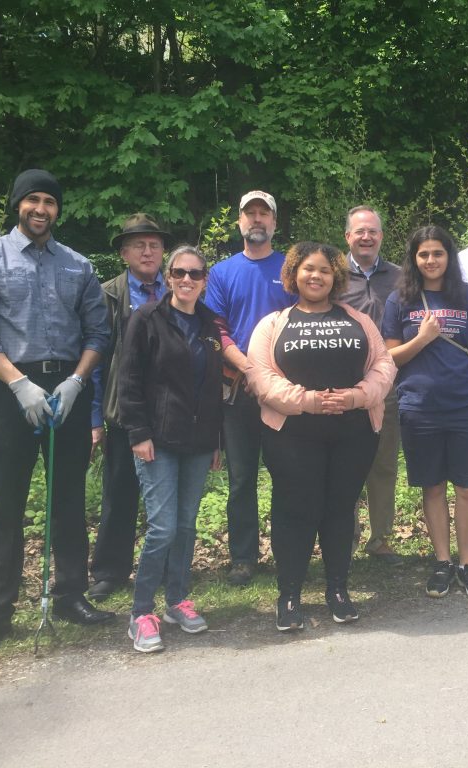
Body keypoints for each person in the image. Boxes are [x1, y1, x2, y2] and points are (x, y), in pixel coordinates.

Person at [0, 169, 114, 661]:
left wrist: (76, 381)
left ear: (58, 210)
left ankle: (69, 596)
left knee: (67, 499)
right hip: (11, 390)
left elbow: (98, 333)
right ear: (17, 205)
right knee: (8, 503)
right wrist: (19, 383)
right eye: (33, 200)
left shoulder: (78, 265)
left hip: (67, 387)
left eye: (49, 201)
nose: (41, 209)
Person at [246, 242, 396, 631]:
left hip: (353, 433)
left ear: (336, 277)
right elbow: (260, 377)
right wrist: (308, 401)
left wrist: (356, 397)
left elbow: (383, 364)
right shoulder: (273, 324)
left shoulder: (358, 321)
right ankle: (290, 595)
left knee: (339, 509)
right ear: (294, 273)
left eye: (326, 270)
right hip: (292, 436)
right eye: (309, 269)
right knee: (295, 511)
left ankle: (338, 591)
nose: (317, 276)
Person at [381, 226, 468, 602]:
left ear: (449, 257)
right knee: (432, 487)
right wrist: (422, 338)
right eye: (423, 255)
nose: (431, 261)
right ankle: (442, 562)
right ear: (413, 259)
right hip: (419, 408)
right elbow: (388, 357)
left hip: (467, 407)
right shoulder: (399, 300)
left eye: (438, 253)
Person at [119, 246, 225, 652]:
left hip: (198, 444)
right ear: (167, 276)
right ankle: (141, 612)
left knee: (185, 525)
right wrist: (138, 433)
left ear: (205, 280)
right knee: (162, 527)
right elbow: (128, 379)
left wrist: (215, 441)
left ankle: (177, 600)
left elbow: (213, 388)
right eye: (179, 272)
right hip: (157, 440)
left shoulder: (209, 324)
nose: (187, 279)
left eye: (195, 274)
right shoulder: (146, 319)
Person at [204, 191, 292, 586]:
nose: (257, 219)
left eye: (264, 214)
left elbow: (300, 321)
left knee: (287, 474)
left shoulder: (291, 266)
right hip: (238, 391)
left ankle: (289, 550)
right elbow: (216, 329)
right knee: (242, 479)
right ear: (239, 222)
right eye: (250, 213)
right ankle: (243, 557)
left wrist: (272, 377)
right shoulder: (221, 272)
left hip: (284, 390)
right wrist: (248, 368)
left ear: (275, 223)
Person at [87, 214, 171, 600]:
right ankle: (109, 571)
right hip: (123, 412)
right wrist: (95, 418)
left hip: (170, 412)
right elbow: (96, 360)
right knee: (119, 493)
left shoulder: (180, 289)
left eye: (154, 244)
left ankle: (169, 567)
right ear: (124, 253)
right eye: (139, 244)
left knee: (169, 494)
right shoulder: (107, 295)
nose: (148, 250)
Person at [337, 205, 403, 565]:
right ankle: (341, 537)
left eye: (373, 231)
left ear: (381, 236)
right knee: (343, 465)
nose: (366, 237)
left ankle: (380, 539)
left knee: (384, 464)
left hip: (388, 385)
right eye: (359, 231)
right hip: (342, 385)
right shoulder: (331, 274)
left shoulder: (400, 275)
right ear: (347, 236)